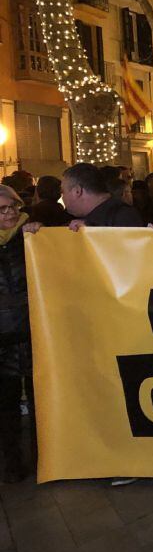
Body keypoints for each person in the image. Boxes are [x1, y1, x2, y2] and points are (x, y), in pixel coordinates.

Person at [0, 184, 32, 481]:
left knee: (40, 398)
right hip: (3, 338)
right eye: (2, 209)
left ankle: (43, 455)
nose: (10, 213)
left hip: (34, 329)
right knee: (7, 404)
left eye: (13, 207)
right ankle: (13, 462)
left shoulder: (32, 235)